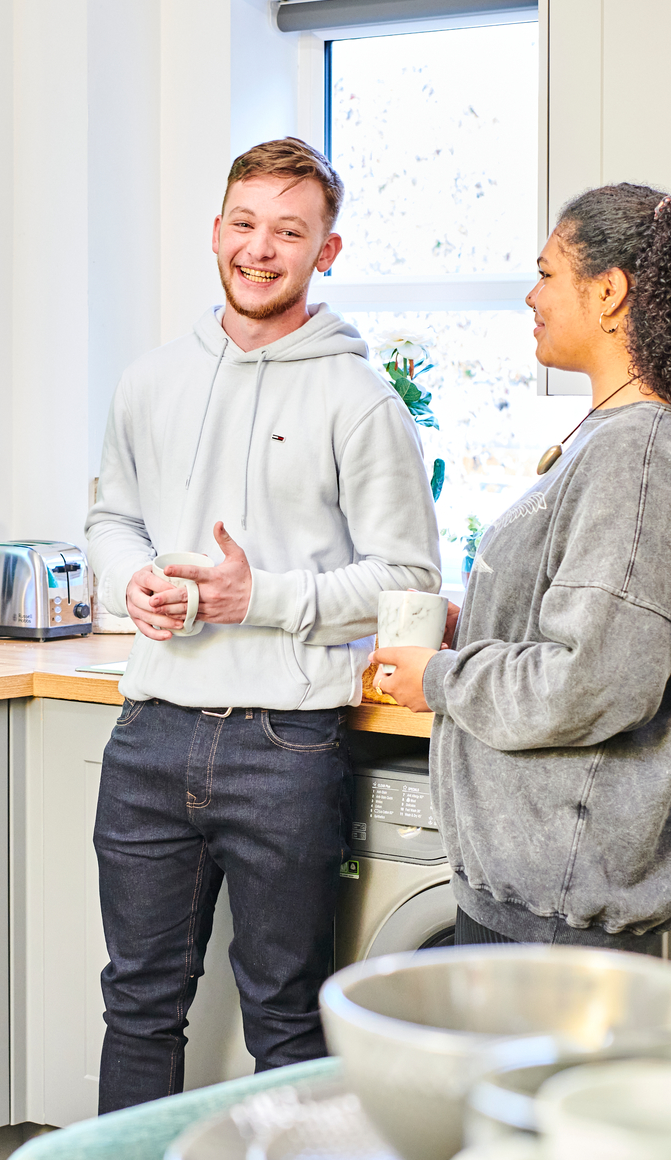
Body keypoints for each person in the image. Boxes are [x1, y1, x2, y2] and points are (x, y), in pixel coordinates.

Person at [85, 137, 442, 1110]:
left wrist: (261, 599)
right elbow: (112, 517)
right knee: (138, 1004)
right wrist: (134, 582)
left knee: (283, 1015)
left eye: (288, 230)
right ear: (214, 232)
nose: (258, 247)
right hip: (151, 726)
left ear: (325, 251)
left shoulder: (357, 399)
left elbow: (409, 579)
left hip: (287, 745)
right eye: (243, 223)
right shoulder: (148, 379)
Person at [372, 183, 671, 950]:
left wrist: (440, 679)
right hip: (540, 890)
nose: (531, 294)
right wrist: (476, 625)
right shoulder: (616, 436)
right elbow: (586, 634)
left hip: (557, 910)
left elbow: (592, 681)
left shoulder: (635, 456)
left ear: (609, 291)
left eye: (548, 272)